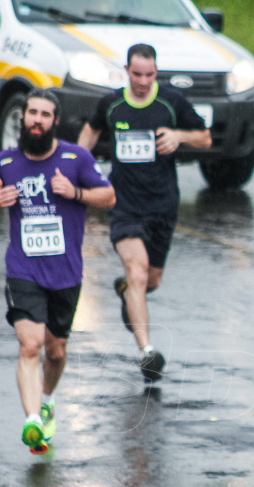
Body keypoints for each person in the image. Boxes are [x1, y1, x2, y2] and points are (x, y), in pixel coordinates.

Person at [0, 90, 115, 452]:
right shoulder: (5, 161)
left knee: (56, 351)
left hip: (65, 272)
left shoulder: (76, 158)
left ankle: (47, 400)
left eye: (45, 114)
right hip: (22, 268)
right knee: (30, 345)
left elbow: (109, 196)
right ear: (23, 118)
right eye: (32, 113)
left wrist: (76, 193)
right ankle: (32, 420)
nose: (37, 119)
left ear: (56, 121)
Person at [77, 43, 210, 382]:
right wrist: (75, 165)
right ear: (126, 70)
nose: (143, 81)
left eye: (149, 75)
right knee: (137, 272)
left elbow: (205, 138)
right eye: (137, 74)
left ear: (156, 72)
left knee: (151, 280)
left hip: (163, 204)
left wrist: (179, 136)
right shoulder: (112, 104)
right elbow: (91, 131)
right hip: (124, 204)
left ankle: (125, 292)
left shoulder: (170, 102)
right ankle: (146, 352)